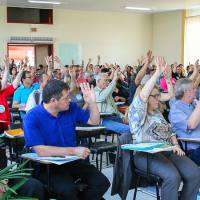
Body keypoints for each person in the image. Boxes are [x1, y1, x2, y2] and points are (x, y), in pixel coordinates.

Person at [23, 79, 110, 200]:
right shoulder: (32, 116)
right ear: (53, 101)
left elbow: (93, 121)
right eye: (66, 98)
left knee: (102, 183)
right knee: (68, 190)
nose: (70, 99)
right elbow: (41, 151)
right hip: (47, 166)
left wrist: (92, 103)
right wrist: (73, 151)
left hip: (72, 161)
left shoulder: (71, 108)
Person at [129, 56, 200, 200]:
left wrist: (175, 145)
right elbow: (143, 95)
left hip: (168, 151)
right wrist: (157, 73)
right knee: (173, 176)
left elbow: (170, 129)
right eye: (155, 96)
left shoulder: (157, 113)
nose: (159, 98)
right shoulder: (136, 114)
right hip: (146, 155)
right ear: (147, 98)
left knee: (194, 173)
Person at [169, 78, 200, 165]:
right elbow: (191, 125)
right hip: (194, 149)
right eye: (194, 88)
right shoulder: (175, 109)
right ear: (187, 92)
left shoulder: (192, 104)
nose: (196, 90)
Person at [94, 70, 130, 135]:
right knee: (128, 129)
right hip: (104, 120)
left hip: (115, 117)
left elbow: (115, 110)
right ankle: (123, 145)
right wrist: (115, 79)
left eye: (108, 80)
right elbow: (103, 97)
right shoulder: (94, 92)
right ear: (98, 81)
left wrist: (123, 117)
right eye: (105, 80)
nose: (107, 82)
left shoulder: (107, 93)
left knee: (136, 125)